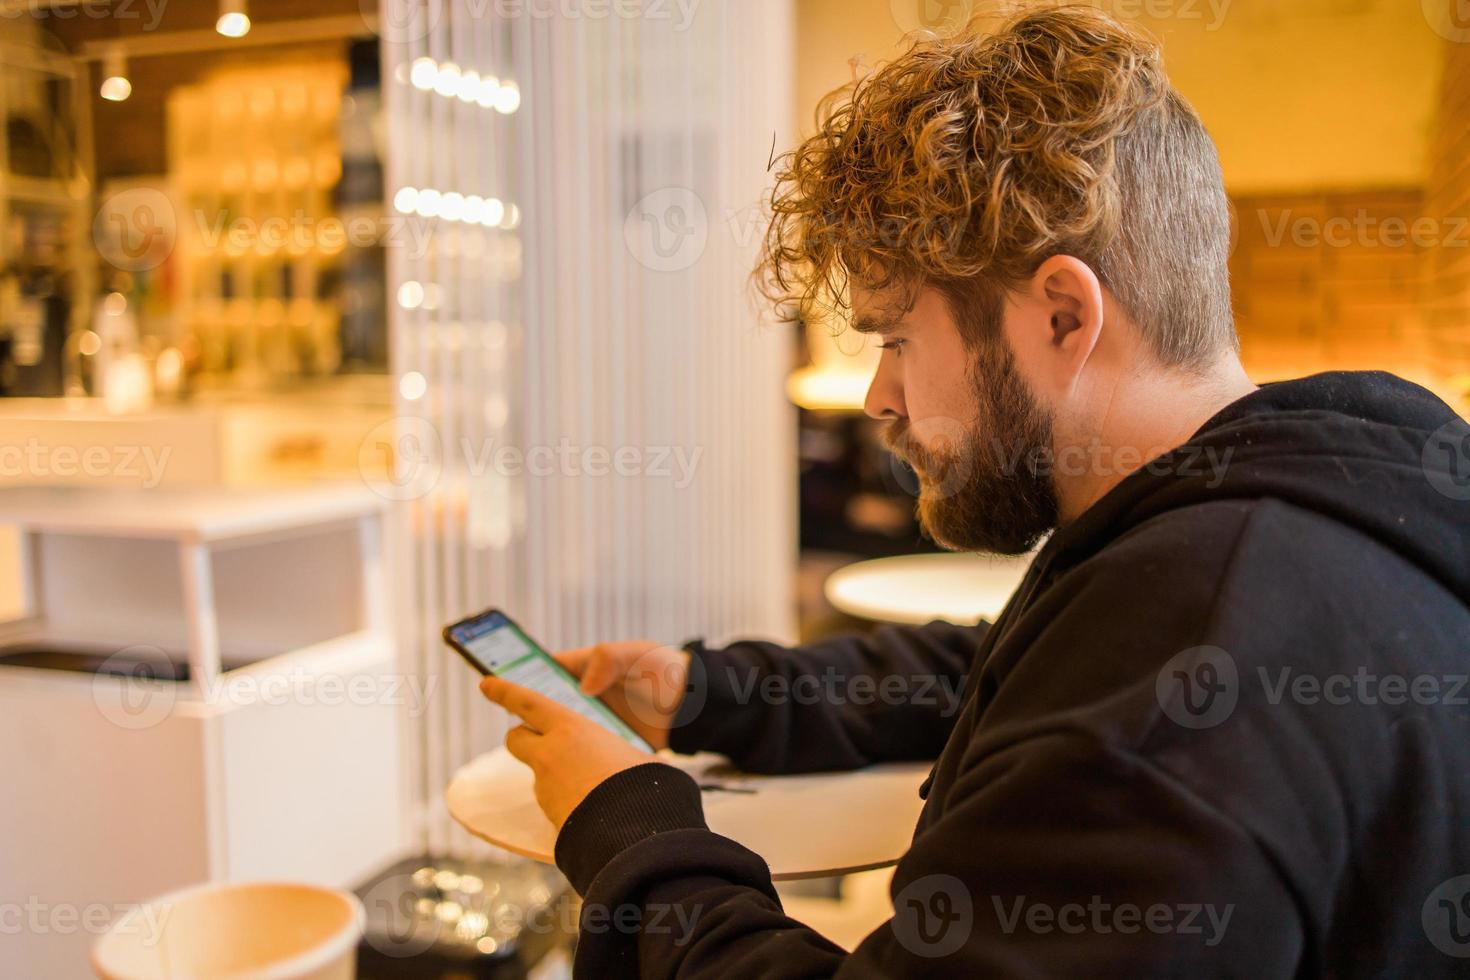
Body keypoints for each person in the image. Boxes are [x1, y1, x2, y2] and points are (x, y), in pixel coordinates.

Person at [477, 6, 1470, 977]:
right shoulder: (1287, 509)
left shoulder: (1187, 673)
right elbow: (1006, 673)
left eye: (897, 338)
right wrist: (711, 692)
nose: (879, 395)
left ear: (1063, 316)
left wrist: (631, 830)